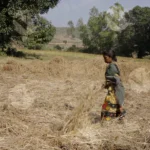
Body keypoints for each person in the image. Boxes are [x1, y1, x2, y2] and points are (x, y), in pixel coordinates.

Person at [101, 50, 126, 121]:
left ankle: (108, 119)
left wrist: (107, 84)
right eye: (104, 57)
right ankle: (120, 118)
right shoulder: (112, 65)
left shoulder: (112, 67)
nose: (104, 59)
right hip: (114, 88)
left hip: (115, 89)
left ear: (110, 57)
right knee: (117, 104)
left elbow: (116, 79)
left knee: (110, 103)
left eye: (105, 57)